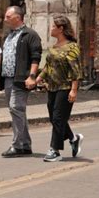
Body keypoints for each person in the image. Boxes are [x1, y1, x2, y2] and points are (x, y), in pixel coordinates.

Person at [36, 15, 84, 162]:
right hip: (52, 87)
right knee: (55, 118)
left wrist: (74, 89)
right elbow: (48, 67)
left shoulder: (72, 47)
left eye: (53, 27)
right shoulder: (53, 48)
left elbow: (76, 70)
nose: (50, 29)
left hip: (65, 87)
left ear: (61, 29)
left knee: (58, 118)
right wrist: (38, 78)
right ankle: (73, 138)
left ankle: (54, 150)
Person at [0, 6, 42, 158]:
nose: (5, 19)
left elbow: (36, 56)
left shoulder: (30, 34)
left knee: (16, 108)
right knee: (16, 111)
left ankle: (17, 145)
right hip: (8, 78)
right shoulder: (9, 35)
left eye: (8, 16)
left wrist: (32, 76)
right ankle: (25, 145)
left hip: (21, 78)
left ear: (18, 17)